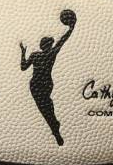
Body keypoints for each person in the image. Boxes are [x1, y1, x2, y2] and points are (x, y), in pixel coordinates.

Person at [20, 11, 76, 146]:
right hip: (44, 84)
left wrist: (23, 52)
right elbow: (62, 41)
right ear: (49, 45)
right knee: (47, 106)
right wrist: (71, 29)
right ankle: (55, 128)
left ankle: (55, 127)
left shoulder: (35, 55)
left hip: (36, 84)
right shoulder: (51, 53)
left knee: (45, 107)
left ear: (42, 45)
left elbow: (23, 67)